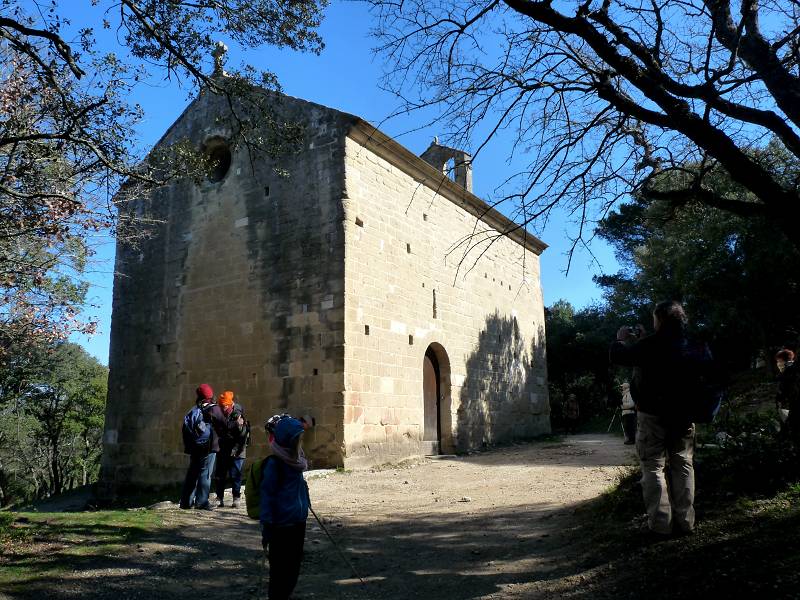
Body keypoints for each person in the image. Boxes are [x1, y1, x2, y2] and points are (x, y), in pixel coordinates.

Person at [609, 301, 696, 538]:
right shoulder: (691, 343)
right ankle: (686, 522)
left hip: (652, 416)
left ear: (660, 319)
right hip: (684, 415)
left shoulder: (650, 345)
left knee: (653, 467)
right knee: (683, 464)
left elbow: (620, 356)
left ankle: (660, 525)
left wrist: (619, 339)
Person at [260, 417, 311, 600]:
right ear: (290, 440)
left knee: (294, 565)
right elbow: (267, 496)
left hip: (298, 521)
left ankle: (286, 595)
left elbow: (299, 486)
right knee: (280, 569)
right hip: (281, 526)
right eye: (299, 438)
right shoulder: (275, 464)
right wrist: (266, 525)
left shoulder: (296, 460)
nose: (301, 442)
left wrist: (306, 502)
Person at [179, 384, 218, 510]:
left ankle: (185, 502)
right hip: (208, 447)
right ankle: (201, 502)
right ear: (210, 395)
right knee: (205, 473)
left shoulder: (193, 409)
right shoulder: (214, 409)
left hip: (195, 446)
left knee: (192, 472)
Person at [214, 390, 249, 508]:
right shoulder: (220, 413)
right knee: (220, 474)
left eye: (224, 406)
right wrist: (231, 426)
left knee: (236, 474)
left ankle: (236, 498)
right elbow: (219, 430)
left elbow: (242, 436)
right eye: (221, 406)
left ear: (230, 405)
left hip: (238, 448)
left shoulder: (238, 413)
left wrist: (235, 450)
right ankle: (219, 498)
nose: (222, 409)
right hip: (223, 447)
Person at [776, 349, 800, 442]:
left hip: (793, 404)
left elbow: (784, 390)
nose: (778, 364)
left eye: (779, 361)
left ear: (783, 361)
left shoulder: (788, 371)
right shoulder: (793, 368)